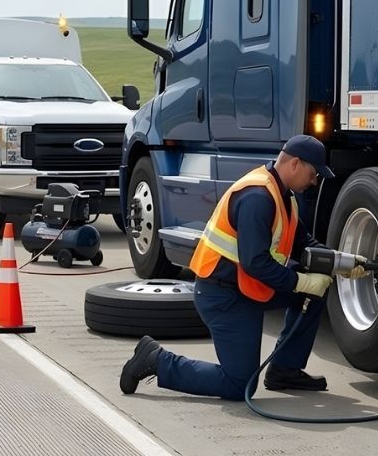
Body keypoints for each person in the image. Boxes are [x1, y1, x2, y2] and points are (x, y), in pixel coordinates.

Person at [119, 134, 363, 401]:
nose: (315, 180)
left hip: (248, 287)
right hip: (224, 295)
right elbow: (255, 263)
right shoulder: (257, 198)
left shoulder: (283, 196)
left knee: (313, 294)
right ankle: (155, 359)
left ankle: (285, 370)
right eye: (314, 173)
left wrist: (342, 262)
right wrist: (301, 282)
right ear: (295, 164)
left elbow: (302, 243)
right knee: (238, 384)